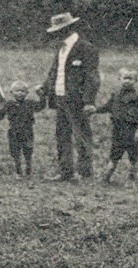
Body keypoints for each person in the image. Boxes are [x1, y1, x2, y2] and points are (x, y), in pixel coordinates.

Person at [38, 12, 99, 181]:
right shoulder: (60, 49)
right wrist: (44, 88)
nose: (55, 35)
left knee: (81, 135)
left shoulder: (86, 48)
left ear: (68, 29)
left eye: (58, 31)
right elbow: (54, 72)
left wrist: (88, 101)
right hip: (59, 98)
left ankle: (85, 173)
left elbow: (92, 77)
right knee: (62, 135)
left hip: (77, 100)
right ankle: (66, 172)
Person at [91, 68, 138, 183]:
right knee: (114, 154)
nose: (127, 81)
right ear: (119, 79)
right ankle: (107, 177)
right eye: (124, 78)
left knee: (133, 156)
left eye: (130, 79)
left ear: (136, 80)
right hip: (118, 130)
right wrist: (95, 110)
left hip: (131, 131)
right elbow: (107, 107)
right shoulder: (116, 95)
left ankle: (131, 177)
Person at [0, 81, 42, 178]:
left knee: (28, 151)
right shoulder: (8, 104)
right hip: (13, 132)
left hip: (27, 131)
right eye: (17, 91)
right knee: (15, 152)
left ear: (27, 93)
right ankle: (18, 171)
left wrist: (41, 94)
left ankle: (28, 170)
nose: (20, 93)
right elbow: (0, 115)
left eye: (23, 91)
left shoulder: (30, 103)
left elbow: (40, 106)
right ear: (11, 92)